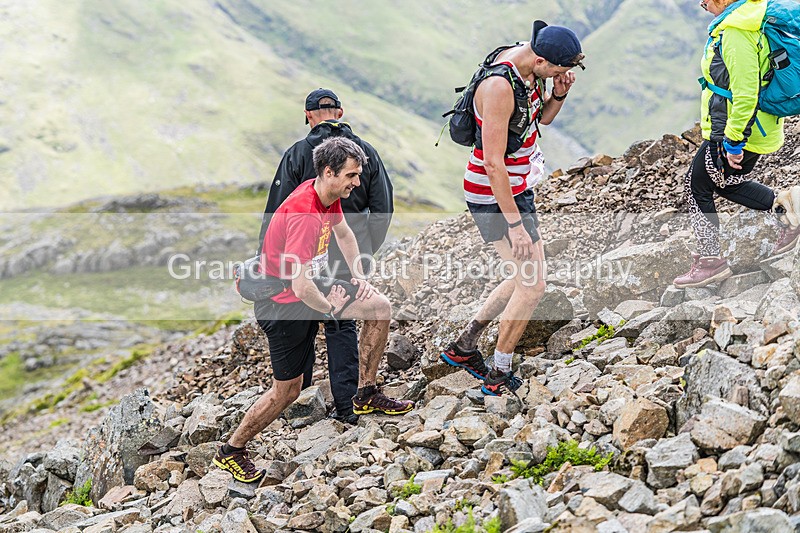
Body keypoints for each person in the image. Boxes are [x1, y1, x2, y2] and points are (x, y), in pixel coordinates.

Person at [215, 137, 412, 483]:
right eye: (351, 175)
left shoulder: (326, 194)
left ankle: (365, 393)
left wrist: (358, 277)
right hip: (284, 308)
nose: (357, 182)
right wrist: (331, 309)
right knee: (288, 391)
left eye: (358, 174)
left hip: (313, 290)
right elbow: (299, 287)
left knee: (379, 307)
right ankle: (231, 450)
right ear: (327, 171)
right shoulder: (305, 213)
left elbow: (346, 235)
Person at [440, 21, 585, 396]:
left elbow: (541, 121)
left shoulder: (530, 69)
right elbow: (492, 162)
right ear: (540, 59)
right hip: (494, 194)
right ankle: (498, 372)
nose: (561, 74)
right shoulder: (499, 87)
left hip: (517, 186)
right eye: (557, 69)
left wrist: (558, 93)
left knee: (523, 276)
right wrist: (515, 224)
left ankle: (464, 346)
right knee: (533, 285)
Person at [256, 88, 394, 424]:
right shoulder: (365, 152)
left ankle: (299, 396)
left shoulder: (296, 153)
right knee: (341, 324)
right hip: (343, 253)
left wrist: (267, 260)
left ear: (307, 116)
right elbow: (383, 206)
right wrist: (364, 256)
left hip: (302, 252)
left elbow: (276, 212)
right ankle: (349, 405)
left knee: (299, 316)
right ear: (341, 113)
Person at [673, 0, 800, 288]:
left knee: (698, 186)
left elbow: (745, 92)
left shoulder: (736, 31)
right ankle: (788, 210)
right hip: (745, 125)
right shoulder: (744, 18)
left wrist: (733, 141)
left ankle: (710, 262)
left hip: (738, 127)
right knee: (723, 181)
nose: (701, 2)